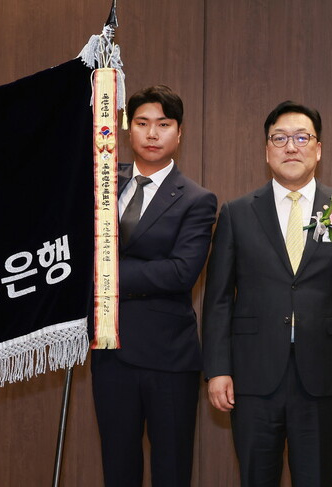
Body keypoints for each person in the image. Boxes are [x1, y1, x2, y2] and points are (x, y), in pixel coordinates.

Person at [202, 101, 332, 486]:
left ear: (318, 149)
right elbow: (217, 299)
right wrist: (217, 369)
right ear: (267, 150)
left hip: (325, 375)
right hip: (252, 376)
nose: (291, 147)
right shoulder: (237, 213)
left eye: (302, 138)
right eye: (279, 138)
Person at [91, 85, 217, 487]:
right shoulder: (102, 184)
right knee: (118, 469)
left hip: (169, 358)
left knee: (172, 471)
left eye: (163, 125)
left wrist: (104, 275)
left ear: (179, 133)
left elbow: (180, 273)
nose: (151, 134)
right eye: (142, 123)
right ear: (128, 129)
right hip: (110, 352)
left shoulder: (197, 199)